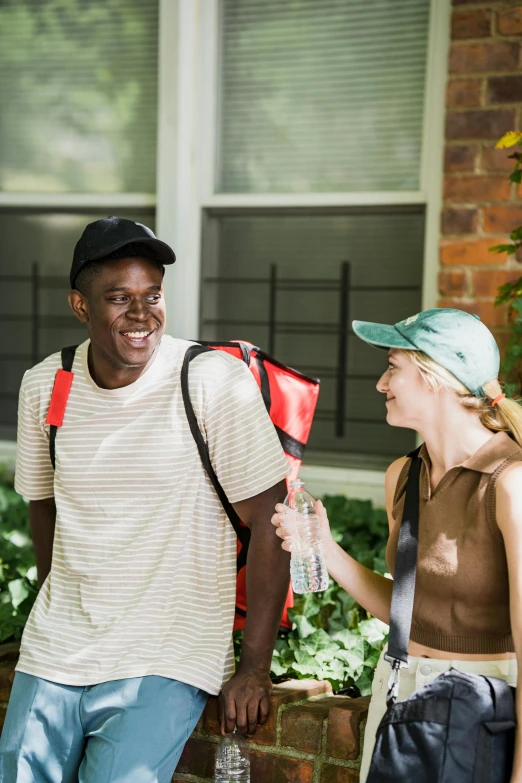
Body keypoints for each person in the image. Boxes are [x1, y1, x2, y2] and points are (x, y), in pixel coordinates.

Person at [0, 216, 291, 783]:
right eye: (119, 298)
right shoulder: (48, 383)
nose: (141, 315)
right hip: (57, 649)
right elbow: (43, 504)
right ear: (80, 306)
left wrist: (254, 667)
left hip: (166, 652)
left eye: (152, 295)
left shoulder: (211, 381)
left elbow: (270, 523)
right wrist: (53, 599)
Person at [272, 308, 522, 782]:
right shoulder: (403, 476)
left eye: (393, 367)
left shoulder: (511, 483)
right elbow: (409, 610)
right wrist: (325, 547)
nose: (381, 383)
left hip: (485, 711)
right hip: (401, 694)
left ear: (434, 377)